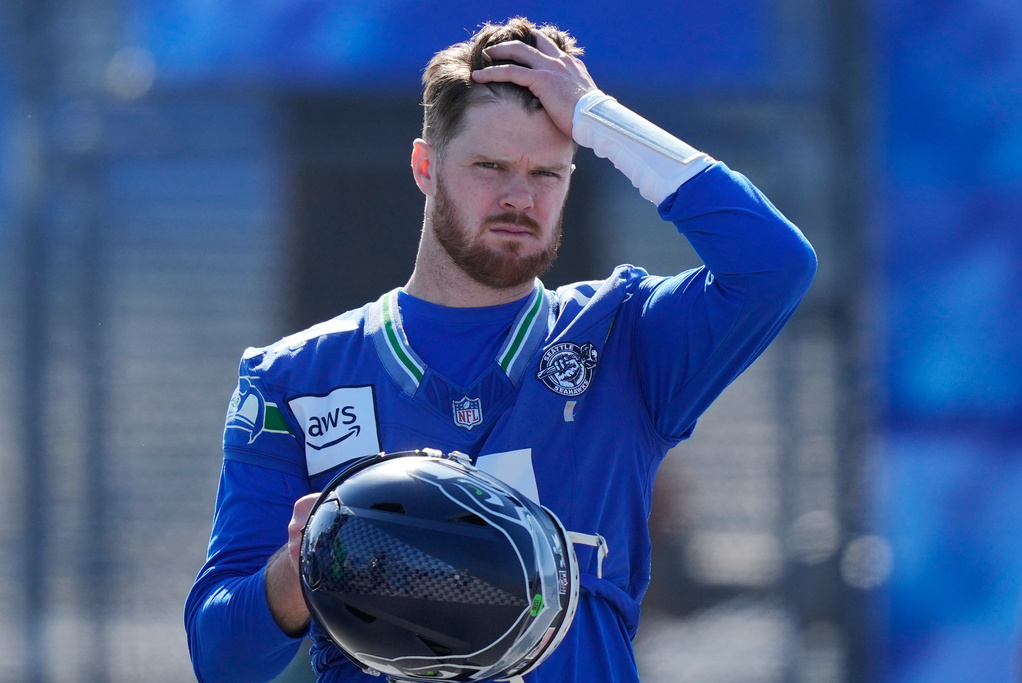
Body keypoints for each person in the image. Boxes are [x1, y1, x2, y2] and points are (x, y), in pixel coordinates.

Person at [185, 16, 816, 683]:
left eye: (547, 172)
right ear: (425, 168)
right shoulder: (290, 380)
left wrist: (599, 118)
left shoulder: (626, 337)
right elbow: (222, 659)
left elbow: (775, 265)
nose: (520, 196)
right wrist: (306, 563)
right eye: (490, 166)